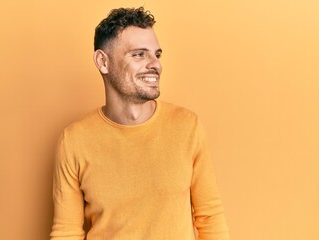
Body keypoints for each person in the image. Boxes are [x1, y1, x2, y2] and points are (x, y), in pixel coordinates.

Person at [50, 7, 230, 240]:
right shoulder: (74, 140)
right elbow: (67, 232)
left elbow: (210, 218)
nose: (155, 64)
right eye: (139, 54)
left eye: (157, 54)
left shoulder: (187, 126)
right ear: (103, 62)